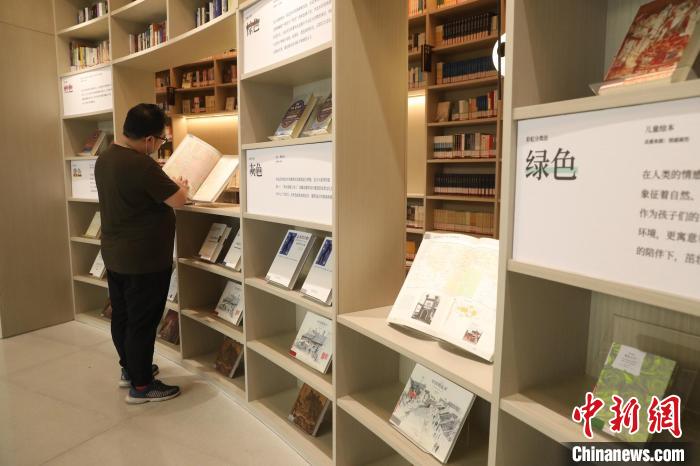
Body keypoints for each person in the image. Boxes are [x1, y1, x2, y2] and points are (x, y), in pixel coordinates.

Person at [95, 103, 189, 404]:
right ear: (149, 139)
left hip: (115, 255)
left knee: (122, 317)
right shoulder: (142, 165)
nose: (159, 145)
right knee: (143, 323)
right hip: (144, 261)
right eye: (161, 139)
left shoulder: (105, 158)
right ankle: (142, 386)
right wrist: (181, 187)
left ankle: (130, 369)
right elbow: (178, 200)